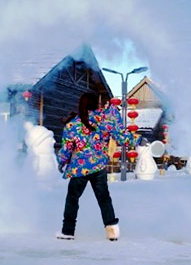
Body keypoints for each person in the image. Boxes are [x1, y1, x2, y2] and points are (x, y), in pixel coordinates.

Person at [56, 92, 135, 241]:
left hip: (79, 169)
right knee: (104, 198)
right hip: (98, 166)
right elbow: (121, 135)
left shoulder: (72, 125)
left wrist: (61, 161)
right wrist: (136, 141)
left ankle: (68, 231)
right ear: (96, 104)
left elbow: (66, 149)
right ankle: (112, 230)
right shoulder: (104, 120)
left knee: (72, 199)